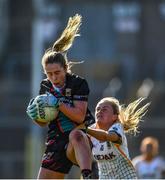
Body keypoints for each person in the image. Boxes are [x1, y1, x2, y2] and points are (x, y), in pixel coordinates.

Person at [26, 14, 94, 179]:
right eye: (49, 74)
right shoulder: (45, 86)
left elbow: (79, 116)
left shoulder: (78, 83)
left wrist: (58, 104)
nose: (54, 77)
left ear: (66, 68)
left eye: (57, 72)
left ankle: (87, 175)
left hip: (82, 135)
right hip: (56, 138)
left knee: (76, 136)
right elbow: (43, 122)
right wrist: (35, 114)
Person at [77, 97, 150, 179]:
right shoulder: (91, 130)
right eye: (98, 109)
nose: (99, 112)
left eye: (104, 110)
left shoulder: (117, 127)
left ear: (114, 116)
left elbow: (106, 136)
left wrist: (85, 129)